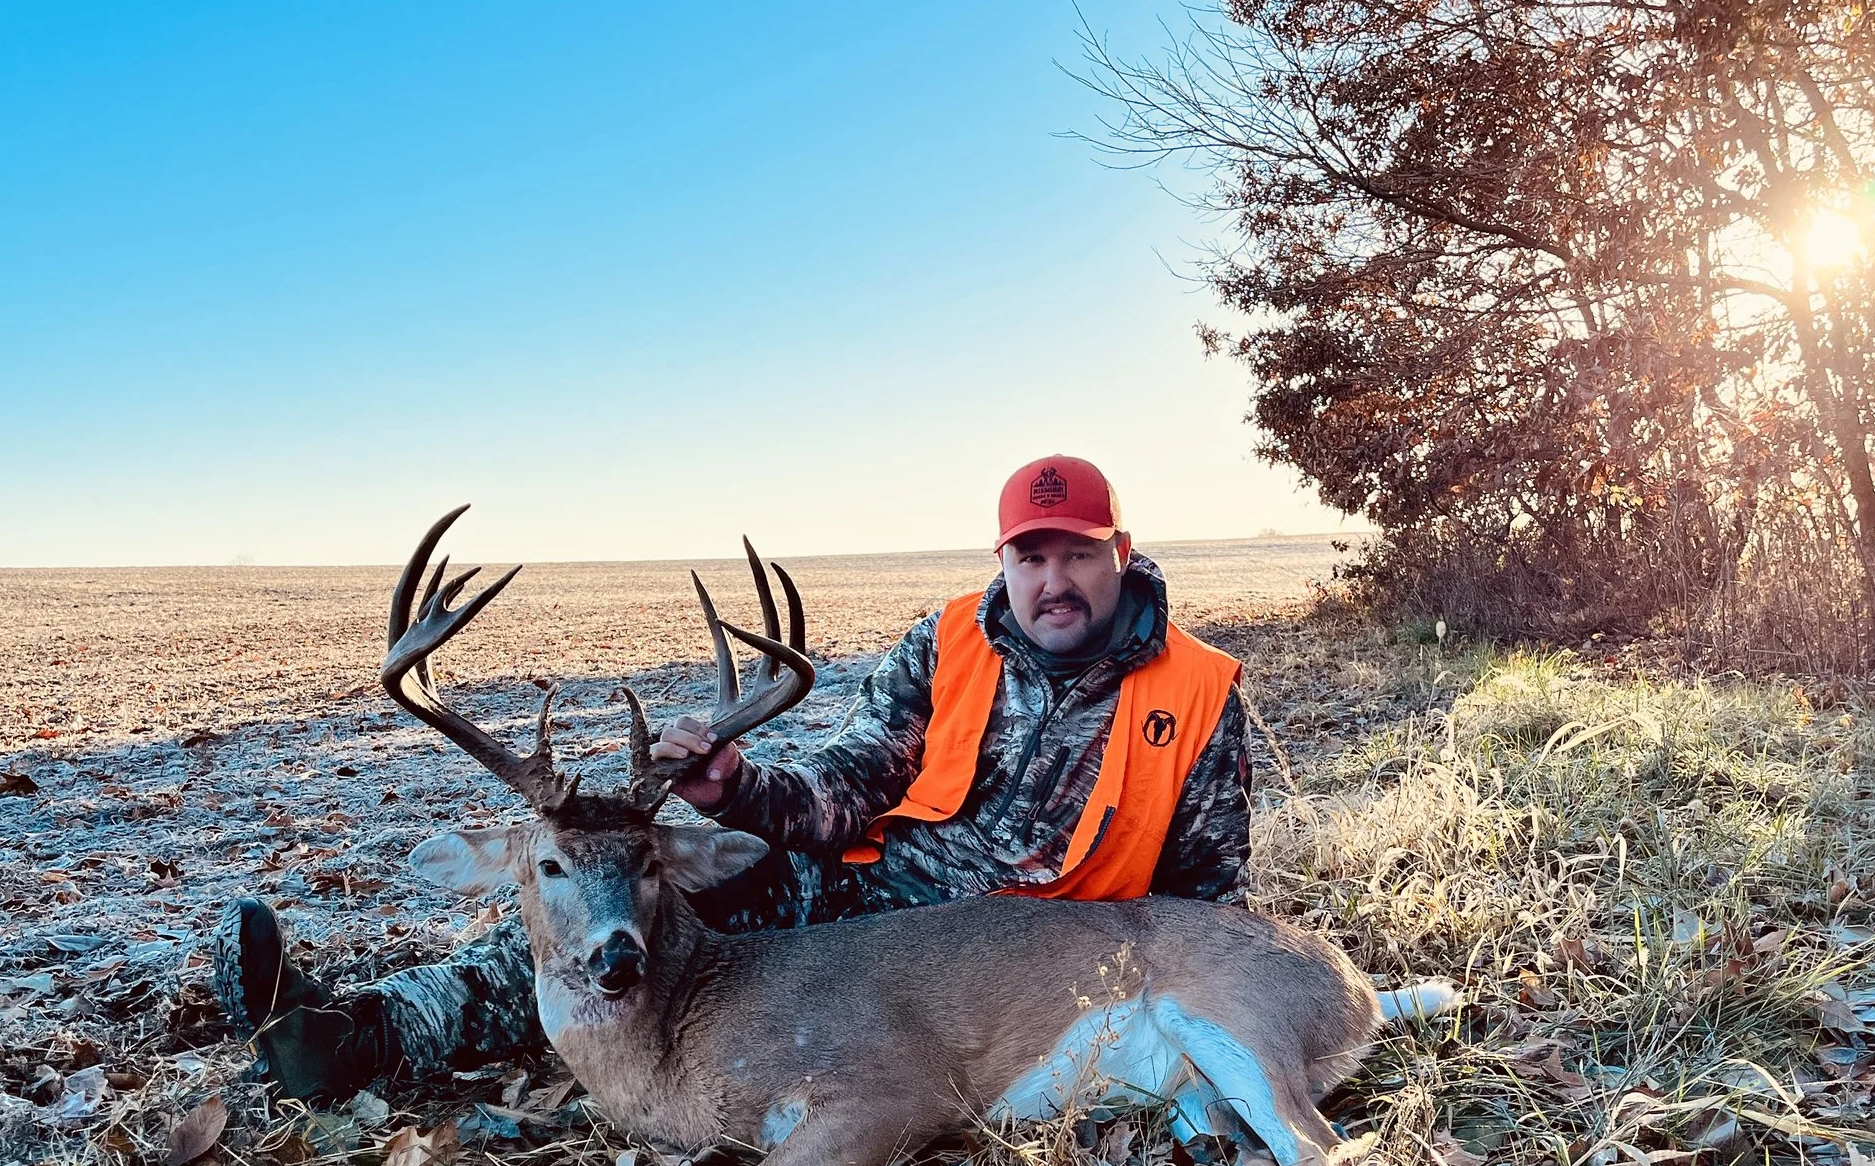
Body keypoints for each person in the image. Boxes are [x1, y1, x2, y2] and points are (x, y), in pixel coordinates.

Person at [213, 454, 1256, 1100]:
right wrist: (733, 790)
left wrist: (1171, 997)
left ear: (1118, 551)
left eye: (1074, 554)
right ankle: (358, 1038)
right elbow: (853, 774)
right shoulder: (946, 645)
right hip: (870, 900)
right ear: (1004, 561)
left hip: (1035, 951)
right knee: (618, 897)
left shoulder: (1198, 690)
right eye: (1030, 557)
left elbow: (1210, 890)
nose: (1051, 580)